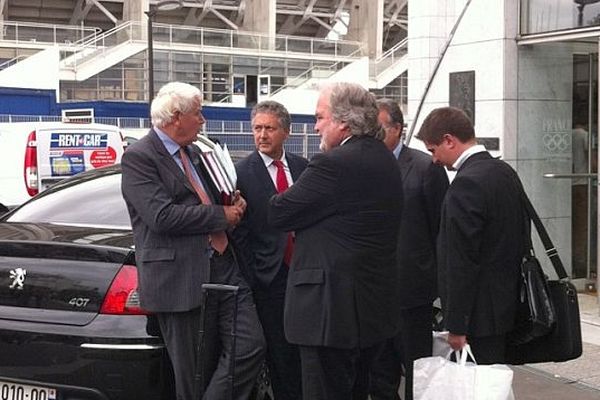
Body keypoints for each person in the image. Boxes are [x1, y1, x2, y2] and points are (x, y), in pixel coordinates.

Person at [121, 81, 265, 400]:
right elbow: (161, 217)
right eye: (197, 114)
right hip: (180, 279)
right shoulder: (140, 157)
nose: (202, 121)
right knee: (194, 374)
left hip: (225, 265)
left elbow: (211, 198)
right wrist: (220, 215)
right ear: (176, 116)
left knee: (250, 346)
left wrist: (233, 202)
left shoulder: (197, 152)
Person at [268, 82, 404, 400]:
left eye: (319, 117)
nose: (315, 126)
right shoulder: (385, 160)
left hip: (329, 314)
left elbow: (279, 213)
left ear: (342, 122)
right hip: (370, 311)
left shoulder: (334, 164)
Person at [416, 106, 526, 364]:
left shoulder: (466, 184)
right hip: (505, 306)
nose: (434, 159)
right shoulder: (504, 172)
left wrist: (456, 325)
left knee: (473, 386)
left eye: (433, 150)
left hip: (476, 315)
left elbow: (460, 260)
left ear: (449, 140)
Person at [368, 99, 448, 400]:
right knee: (379, 374)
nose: (374, 135)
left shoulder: (426, 168)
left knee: (417, 369)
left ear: (398, 129)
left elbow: (440, 226)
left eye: (380, 129)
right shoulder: (364, 166)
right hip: (372, 290)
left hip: (412, 290)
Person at [232, 100, 308, 400]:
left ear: (286, 132)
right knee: (280, 354)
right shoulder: (242, 173)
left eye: (269, 128)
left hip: (306, 273)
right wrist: (256, 274)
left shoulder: (304, 168)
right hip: (270, 278)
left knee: (306, 350)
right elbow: (240, 233)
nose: (262, 135)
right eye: (257, 128)